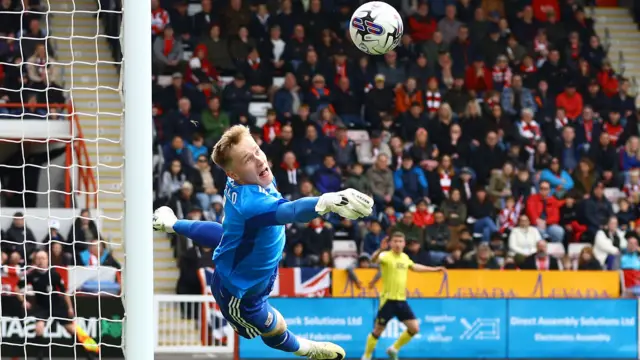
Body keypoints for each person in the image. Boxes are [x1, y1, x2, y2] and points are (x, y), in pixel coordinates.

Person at [153, 125, 373, 359]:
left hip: (249, 261)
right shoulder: (251, 203)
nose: (259, 160)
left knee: (226, 236)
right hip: (240, 293)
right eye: (249, 158)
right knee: (275, 327)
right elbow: (292, 211)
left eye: (257, 150)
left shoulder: (253, 178)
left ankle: (172, 224)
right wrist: (327, 201)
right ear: (233, 175)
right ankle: (307, 349)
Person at [362, 233, 445, 360]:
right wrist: (380, 249)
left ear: (404, 244)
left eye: (400, 241)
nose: (398, 244)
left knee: (414, 328)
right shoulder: (385, 255)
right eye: (395, 241)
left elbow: (414, 267)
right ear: (390, 243)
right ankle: (367, 356)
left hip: (401, 300)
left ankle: (393, 348)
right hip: (387, 301)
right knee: (378, 331)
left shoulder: (405, 257)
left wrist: (434, 269)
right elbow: (373, 260)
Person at [18, 251, 99, 360]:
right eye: (38, 258)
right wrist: (23, 301)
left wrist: (70, 307)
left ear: (47, 260)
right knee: (39, 328)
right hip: (42, 307)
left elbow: (64, 292)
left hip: (57, 306)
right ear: (35, 260)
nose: (41, 260)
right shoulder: (31, 275)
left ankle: (88, 355)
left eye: (43, 258)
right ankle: (40, 356)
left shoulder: (54, 274)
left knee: (72, 330)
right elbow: (16, 288)